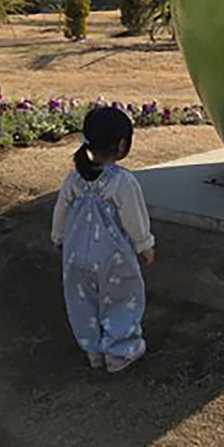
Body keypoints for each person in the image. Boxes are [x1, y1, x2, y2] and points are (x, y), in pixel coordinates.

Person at [51, 105, 155, 373]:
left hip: (75, 255)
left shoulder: (74, 179)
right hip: (112, 256)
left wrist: (58, 237)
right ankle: (119, 352)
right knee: (122, 298)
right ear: (121, 145)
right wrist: (144, 245)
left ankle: (93, 350)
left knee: (82, 302)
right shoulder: (122, 182)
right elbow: (134, 218)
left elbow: (61, 210)